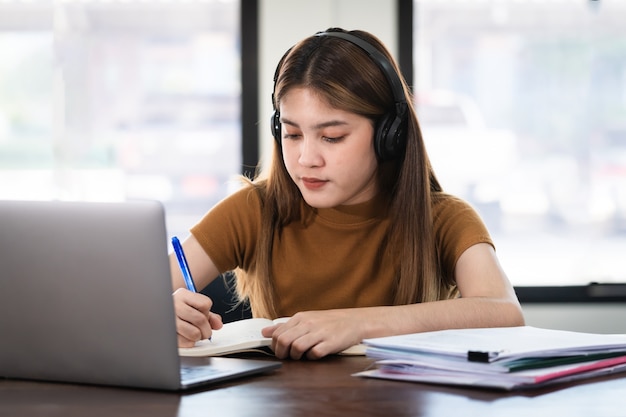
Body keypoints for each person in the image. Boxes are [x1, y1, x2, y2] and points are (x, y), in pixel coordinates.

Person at [170, 27, 525, 360]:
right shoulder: (255, 209)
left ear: (390, 135)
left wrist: (359, 323)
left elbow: (504, 311)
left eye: (332, 137)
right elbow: (135, 294)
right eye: (292, 134)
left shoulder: (443, 218)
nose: (306, 159)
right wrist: (165, 313)